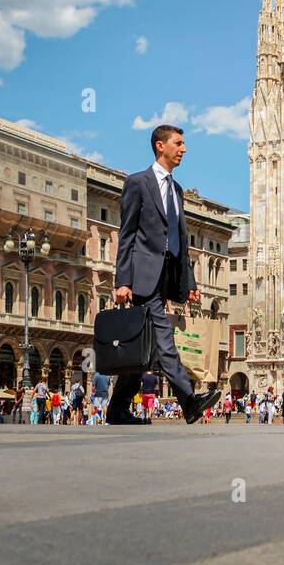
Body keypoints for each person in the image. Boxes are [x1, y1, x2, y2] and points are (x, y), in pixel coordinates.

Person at [106, 124, 221, 425]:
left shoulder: (177, 190)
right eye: (178, 143)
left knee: (143, 346)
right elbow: (127, 234)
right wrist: (123, 280)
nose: (184, 149)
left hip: (167, 277)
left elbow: (180, 240)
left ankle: (117, 409)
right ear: (160, 146)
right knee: (163, 338)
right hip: (144, 276)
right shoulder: (138, 183)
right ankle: (189, 401)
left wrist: (190, 283)